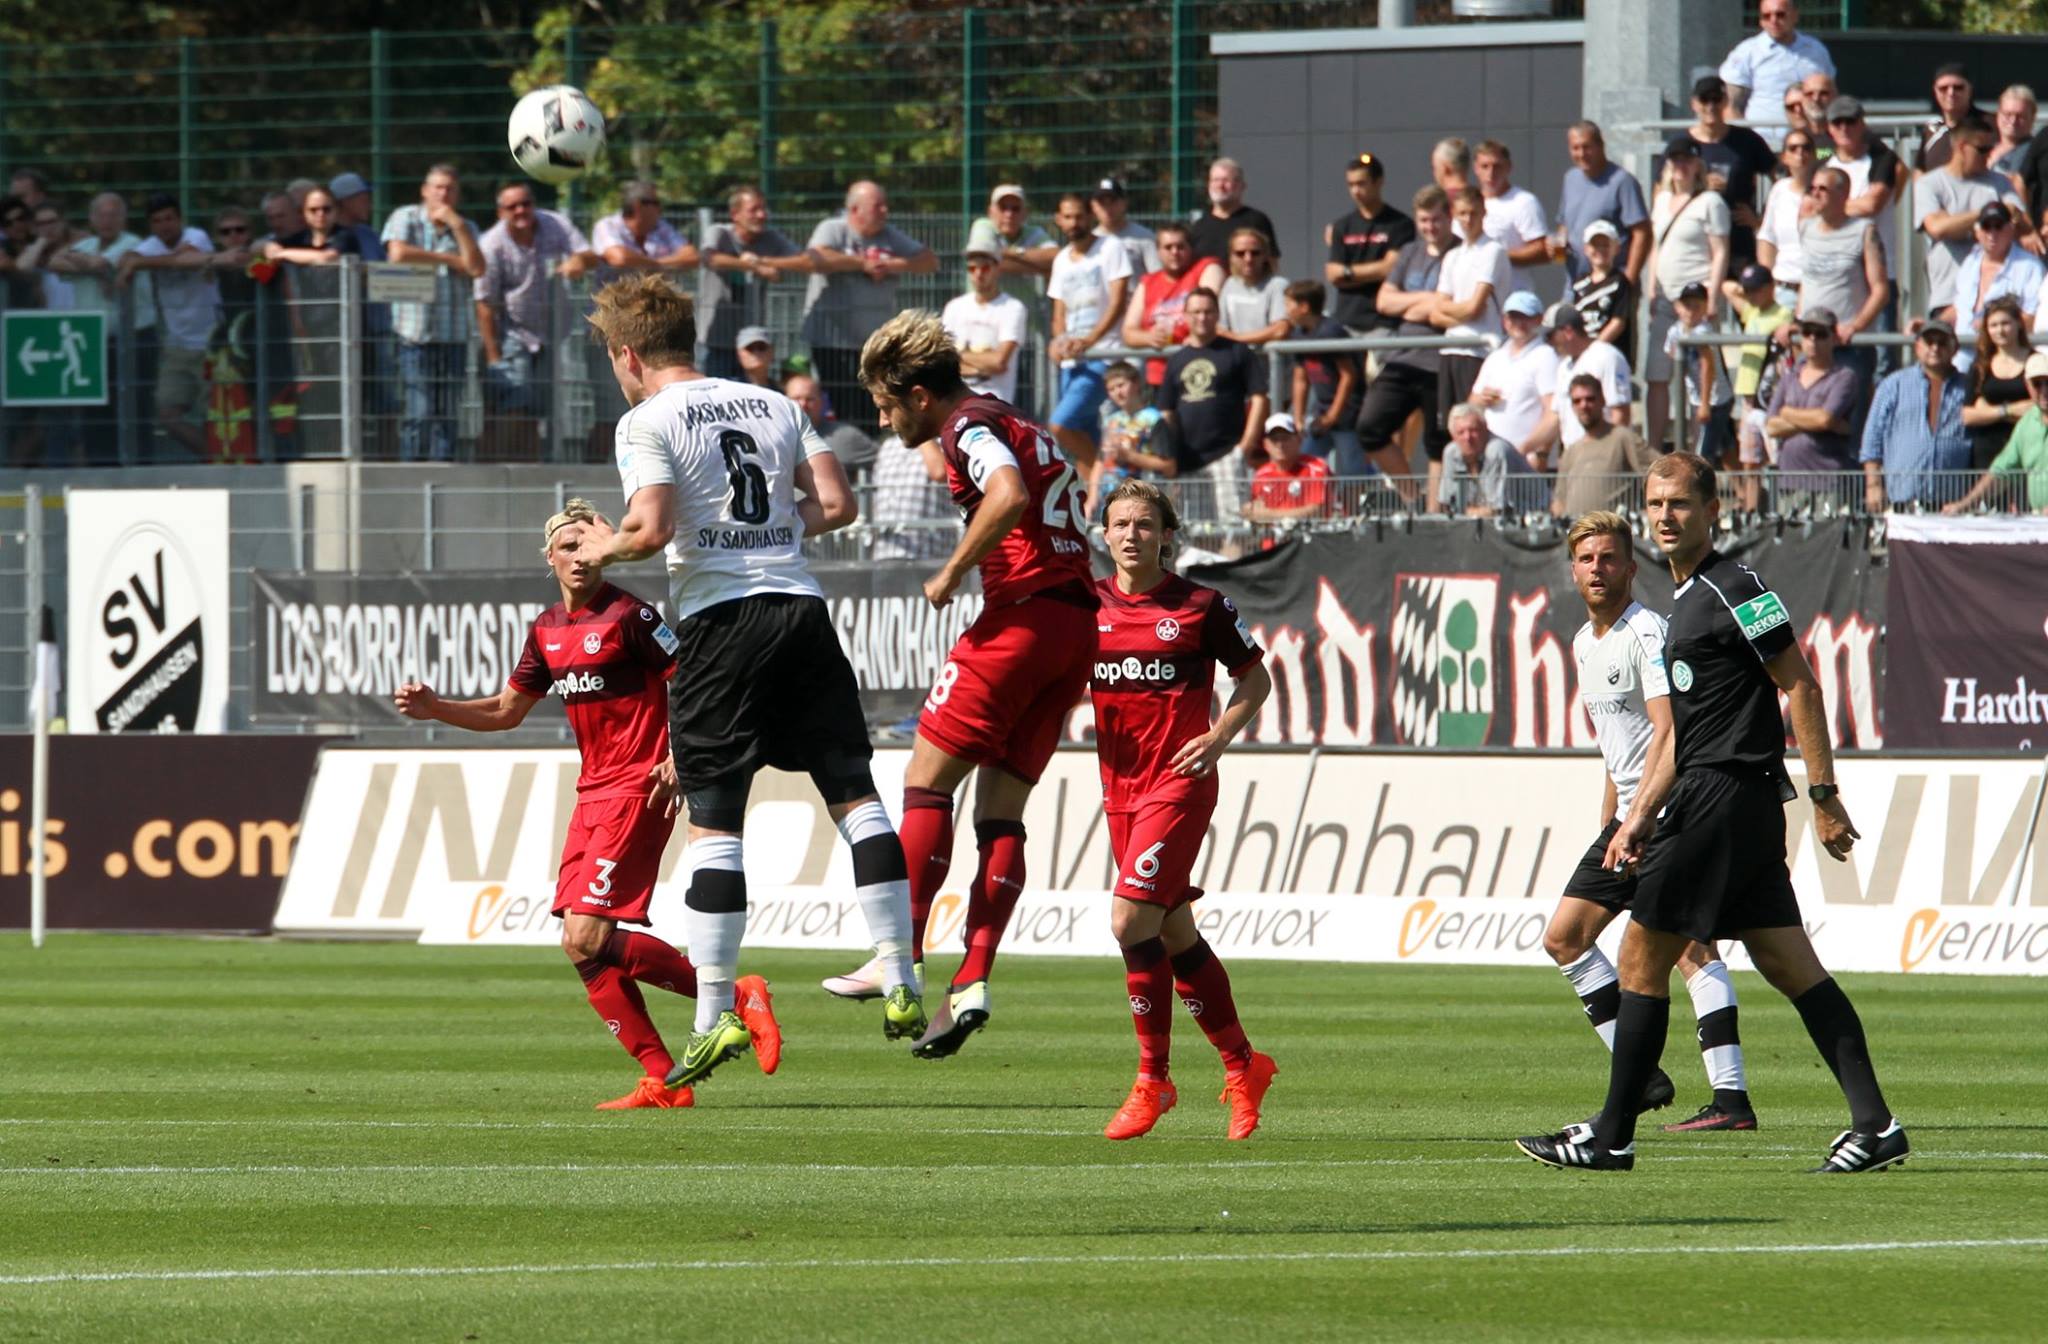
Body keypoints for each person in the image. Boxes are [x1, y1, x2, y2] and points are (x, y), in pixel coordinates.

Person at [1516, 451, 1906, 1175]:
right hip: (1726, 800)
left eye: (1681, 505)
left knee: (1640, 956)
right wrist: (1635, 818)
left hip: (1724, 798)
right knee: (1792, 966)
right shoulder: (1687, 602)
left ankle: (1611, 1134)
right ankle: (1877, 1124)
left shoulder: (1738, 589)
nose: (1666, 517)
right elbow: (1679, 735)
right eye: (1657, 506)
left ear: (1713, 512)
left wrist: (1824, 795)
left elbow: (1802, 687)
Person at [583, 274, 925, 1084]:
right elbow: (836, 504)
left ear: (627, 354)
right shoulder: (773, 403)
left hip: (720, 623)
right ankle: (902, 973)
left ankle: (712, 1018)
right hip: (800, 610)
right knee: (855, 795)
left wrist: (605, 547)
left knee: (716, 825)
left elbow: (653, 527)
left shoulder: (645, 420)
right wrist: (767, 528)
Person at [393, 499, 781, 1111]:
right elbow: (506, 711)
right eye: (567, 547)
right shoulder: (546, 629)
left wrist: (682, 752)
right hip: (592, 794)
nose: (580, 556)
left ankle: (736, 996)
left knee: (589, 933)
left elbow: (693, 679)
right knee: (579, 947)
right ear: (549, 558)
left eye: (588, 544)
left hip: (638, 787)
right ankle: (662, 1079)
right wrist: (438, 709)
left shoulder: (631, 615)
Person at [841, 309, 1097, 1058]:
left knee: (925, 783)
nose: (886, 422)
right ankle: (973, 978)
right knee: (1001, 812)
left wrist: (953, 571)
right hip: (1076, 627)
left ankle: (900, 959)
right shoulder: (1015, 416)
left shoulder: (966, 429)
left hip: (1021, 619)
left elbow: (1010, 493)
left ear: (920, 394)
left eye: (888, 407)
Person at [1539, 510, 1757, 1133]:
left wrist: (1642, 815)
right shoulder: (1585, 642)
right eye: (1587, 560)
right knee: (1567, 937)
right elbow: (1619, 744)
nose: (1598, 570)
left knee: (1691, 950)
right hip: (1629, 819)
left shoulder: (1646, 634)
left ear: (1633, 568)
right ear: (1573, 570)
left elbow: (1671, 730)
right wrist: (1609, 820)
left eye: (1610, 559)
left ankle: (1730, 1100)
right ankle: (1648, 1080)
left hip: (1666, 814)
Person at [1090, 479, 1277, 1141]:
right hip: (1119, 791)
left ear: (1166, 534)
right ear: (1104, 534)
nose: (1132, 534)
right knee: (1172, 934)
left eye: (1145, 524)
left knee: (1127, 919)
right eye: (1121, 524)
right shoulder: (1086, 606)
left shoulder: (1201, 607)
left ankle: (1153, 1080)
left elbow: (1255, 678)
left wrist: (1220, 736)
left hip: (1179, 783)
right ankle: (1243, 1065)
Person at [476, 181, 597, 459]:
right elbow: (484, 304)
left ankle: (535, 468)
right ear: (500, 212)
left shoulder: (554, 223)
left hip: (551, 336)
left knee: (542, 409)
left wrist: (579, 262)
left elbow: (589, 255)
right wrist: (494, 356)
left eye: (526, 203)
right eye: (512, 206)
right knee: (515, 407)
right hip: (511, 335)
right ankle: (509, 468)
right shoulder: (492, 245)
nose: (520, 210)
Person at [802, 180, 937, 425]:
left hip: (872, 344)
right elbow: (816, 256)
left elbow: (929, 261)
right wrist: (862, 263)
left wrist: (890, 264)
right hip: (831, 341)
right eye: (878, 206)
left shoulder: (889, 235)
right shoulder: (833, 228)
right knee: (841, 406)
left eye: (885, 205)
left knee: (874, 407)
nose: (885, 210)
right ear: (855, 210)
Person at [381, 164, 485, 462]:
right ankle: (411, 473)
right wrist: (452, 260)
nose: (443, 194)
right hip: (413, 335)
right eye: (438, 187)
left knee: (447, 413)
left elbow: (476, 268)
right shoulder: (406, 217)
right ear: (425, 191)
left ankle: (443, 471)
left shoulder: (467, 226)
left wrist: (458, 226)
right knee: (419, 410)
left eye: (450, 188)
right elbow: (398, 253)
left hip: (453, 335)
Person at [1362, 185, 1455, 500]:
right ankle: (1412, 499)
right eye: (1424, 220)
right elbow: (1384, 302)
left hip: (1441, 359)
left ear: (1449, 217)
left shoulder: (1461, 253)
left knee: (1437, 443)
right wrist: (1430, 301)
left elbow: (1454, 307)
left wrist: (1414, 305)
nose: (1429, 228)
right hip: (1403, 357)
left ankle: (1434, 513)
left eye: (1436, 220)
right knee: (1370, 427)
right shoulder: (1409, 252)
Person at [116, 193, 220, 459]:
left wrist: (139, 263)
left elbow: (188, 259)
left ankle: (225, 461)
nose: (165, 225)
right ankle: (214, 456)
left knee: (216, 413)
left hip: (211, 342)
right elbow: (127, 258)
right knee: (168, 414)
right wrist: (131, 261)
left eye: (169, 218)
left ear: (180, 219)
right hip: (176, 346)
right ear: (151, 225)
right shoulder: (151, 245)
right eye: (157, 221)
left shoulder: (196, 236)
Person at [52, 191, 154, 462]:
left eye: (113, 214)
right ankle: (100, 464)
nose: (107, 220)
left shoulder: (134, 244)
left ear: (123, 218)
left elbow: (104, 262)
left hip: (134, 339)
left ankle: (139, 467)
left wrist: (81, 262)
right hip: (93, 341)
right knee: (95, 411)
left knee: (134, 408)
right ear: (92, 219)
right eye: (101, 215)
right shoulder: (87, 245)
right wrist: (90, 266)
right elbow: (55, 262)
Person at [1645, 138, 1729, 453]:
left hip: (1696, 299)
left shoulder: (1710, 201)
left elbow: (1720, 251)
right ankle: (1654, 450)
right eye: (1674, 159)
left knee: (1699, 380)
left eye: (1685, 160)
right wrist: (1651, 288)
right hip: (1665, 299)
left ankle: (1698, 452)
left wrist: (1712, 298)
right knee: (1657, 374)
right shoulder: (1662, 199)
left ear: (1696, 164)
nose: (1680, 166)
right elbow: (1656, 248)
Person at [1160, 288, 1269, 523]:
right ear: (1186, 316)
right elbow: (1167, 412)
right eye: (1196, 312)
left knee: (1234, 527)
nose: (1202, 317)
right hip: (1187, 460)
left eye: (1208, 311)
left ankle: (1234, 563)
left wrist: (1246, 446)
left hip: (1227, 454)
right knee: (1194, 531)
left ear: (1218, 314)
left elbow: (1259, 397)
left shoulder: (1237, 351)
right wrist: (1169, 456)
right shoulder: (1177, 360)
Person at [1046, 191, 1133, 467]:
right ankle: (1097, 501)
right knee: (1082, 434)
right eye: (1068, 217)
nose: (1074, 223)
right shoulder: (1061, 259)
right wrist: (1061, 341)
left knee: (1060, 426)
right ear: (1059, 220)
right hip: (1072, 362)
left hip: (1102, 357)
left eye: (1079, 216)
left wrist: (1090, 341)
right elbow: (1059, 312)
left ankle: (1104, 475)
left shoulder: (1111, 248)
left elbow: (1119, 301)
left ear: (1090, 216)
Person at [1918, 115, 2030, 327]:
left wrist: (1956, 223)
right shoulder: (1930, 184)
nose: (1989, 156)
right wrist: (1989, 213)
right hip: (1948, 295)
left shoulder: (2000, 183)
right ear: (1961, 147)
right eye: (1982, 149)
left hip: (1998, 299)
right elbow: (1938, 228)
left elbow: (2019, 221)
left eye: (1991, 148)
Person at [1861, 320, 1972, 511]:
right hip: (1903, 498)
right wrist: (1873, 485)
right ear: (1917, 347)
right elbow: (1872, 438)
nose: (1935, 348)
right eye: (1929, 342)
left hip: (1954, 502)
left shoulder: (1970, 387)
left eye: (1942, 342)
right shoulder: (1893, 384)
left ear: (1955, 348)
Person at [697, 184, 806, 380]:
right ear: (735, 214)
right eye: (754, 210)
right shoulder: (720, 233)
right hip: (717, 341)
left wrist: (762, 260)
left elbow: (803, 260)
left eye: (764, 209)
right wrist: (752, 267)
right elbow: (709, 258)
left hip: (753, 342)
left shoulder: (770, 237)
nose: (762, 215)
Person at [1824, 97, 1905, 355]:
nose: (1844, 128)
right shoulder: (1824, 163)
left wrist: (1831, 206)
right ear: (1829, 128)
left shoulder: (1882, 159)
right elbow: (1809, 210)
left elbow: (1873, 205)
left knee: (1883, 354)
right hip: (1837, 273)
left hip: (1880, 273)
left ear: (1862, 124)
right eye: (1838, 122)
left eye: (1850, 121)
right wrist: (1849, 205)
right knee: (1836, 351)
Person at [1797, 166, 1888, 392]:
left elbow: (1880, 290)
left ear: (1843, 194)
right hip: (1810, 341)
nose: (1815, 194)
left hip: (1847, 345)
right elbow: (1806, 282)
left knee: (1849, 422)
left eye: (1823, 189)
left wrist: (1855, 327)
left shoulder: (1864, 231)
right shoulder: (1806, 228)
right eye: (1812, 188)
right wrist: (1796, 322)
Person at [1433, 187, 1510, 448]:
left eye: (1473, 213)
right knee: (1450, 430)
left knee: (1475, 428)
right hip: (1450, 349)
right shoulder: (1453, 255)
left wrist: (1452, 310)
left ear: (1483, 213)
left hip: (1478, 349)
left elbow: (1475, 307)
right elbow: (1436, 309)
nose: (1467, 220)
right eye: (1462, 214)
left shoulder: (1493, 251)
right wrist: (1459, 311)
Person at [1765, 311, 1863, 498]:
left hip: (1829, 483)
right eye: (1807, 332)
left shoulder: (1844, 377)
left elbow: (1824, 419)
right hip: (1790, 481)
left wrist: (1786, 412)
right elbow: (1771, 427)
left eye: (1820, 334)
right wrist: (1817, 420)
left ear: (1834, 338)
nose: (1812, 339)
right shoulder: (1789, 378)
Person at [1684, 76, 1777, 266]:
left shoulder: (1747, 140)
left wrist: (1761, 220)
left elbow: (1782, 182)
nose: (1711, 106)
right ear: (1693, 104)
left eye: (1717, 99)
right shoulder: (1682, 145)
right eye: (1704, 100)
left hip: (1739, 241)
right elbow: (1663, 192)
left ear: (1726, 102)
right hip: (1695, 242)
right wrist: (1700, 185)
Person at [1323, 151, 1414, 342]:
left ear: (1379, 182)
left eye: (1361, 183)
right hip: (1346, 321)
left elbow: (1390, 269)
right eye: (1351, 185)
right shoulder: (1342, 226)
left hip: (1383, 322)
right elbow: (1333, 274)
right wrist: (1375, 270)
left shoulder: (1400, 224)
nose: (1356, 191)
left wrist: (1347, 273)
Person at [1120, 222, 1223, 388]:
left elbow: (1208, 309)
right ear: (1158, 251)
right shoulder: (1148, 282)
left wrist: (1194, 336)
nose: (1175, 252)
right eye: (1168, 247)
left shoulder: (1206, 268)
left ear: (1191, 248)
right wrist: (1148, 337)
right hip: (1160, 376)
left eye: (1180, 247)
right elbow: (1128, 332)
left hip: (1198, 369)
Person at [1946, 350, 2048, 513]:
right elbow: (2001, 471)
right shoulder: (2027, 423)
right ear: (2027, 385)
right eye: (2037, 383)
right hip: (2039, 525)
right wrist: (1965, 505)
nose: (2044, 391)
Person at [1470, 290, 1560, 469]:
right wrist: (1482, 399)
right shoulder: (1495, 357)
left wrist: (1534, 452)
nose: (1519, 323)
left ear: (1539, 319)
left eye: (1525, 317)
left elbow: (1553, 414)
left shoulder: (1545, 356)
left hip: (1525, 461)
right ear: (1504, 321)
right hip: (1490, 460)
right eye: (1513, 317)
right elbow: (1471, 404)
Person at [1718, 0, 1834, 139]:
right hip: (1764, 141)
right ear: (1760, 20)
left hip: (1811, 144)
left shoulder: (1816, 50)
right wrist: (1745, 142)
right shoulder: (1747, 52)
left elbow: (1831, 95)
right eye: (1766, 16)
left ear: (1795, 16)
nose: (1773, 20)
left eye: (1780, 15)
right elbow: (1730, 105)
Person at [1720, 262, 1795, 473]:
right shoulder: (1752, 311)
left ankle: (1776, 503)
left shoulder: (1782, 314)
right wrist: (1740, 288)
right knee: (1749, 457)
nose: (1751, 295)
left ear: (1771, 287)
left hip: (1770, 394)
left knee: (1774, 453)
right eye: (1748, 291)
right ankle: (1752, 506)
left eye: (1756, 289)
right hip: (1748, 393)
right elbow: (1726, 288)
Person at [1556, 122, 1650, 288]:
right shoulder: (1570, 179)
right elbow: (1565, 224)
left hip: (1611, 285)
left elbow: (1642, 233)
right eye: (1575, 148)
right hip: (1575, 285)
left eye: (1587, 147)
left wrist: (1628, 281)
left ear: (1601, 145)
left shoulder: (1622, 181)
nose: (1582, 153)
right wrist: (1557, 245)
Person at [1284, 279, 1362, 476]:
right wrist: (1298, 418)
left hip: (1347, 413)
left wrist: (1333, 416)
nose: (1286, 311)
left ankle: (1352, 506)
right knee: (1305, 462)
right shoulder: (1298, 334)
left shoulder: (1331, 332)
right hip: (1321, 412)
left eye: (1288, 305)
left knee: (1350, 471)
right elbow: (1300, 379)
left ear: (1303, 307)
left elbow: (1348, 375)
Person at [1551, 375, 1656, 518]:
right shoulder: (1570, 451)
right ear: (1572, 406)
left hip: (1613, 533)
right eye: (1577, 401)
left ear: (1602, 400)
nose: (1584, 405)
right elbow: (1559, 501)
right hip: (1575, 533)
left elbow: (1661, 471)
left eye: (1590, 399)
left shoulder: (1622, 438)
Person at [1952, 203, 2043, 359]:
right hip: (1962, 355)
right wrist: (1932, 324)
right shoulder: (1970, 262)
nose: (1992, 233)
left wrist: (1990, 327)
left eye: (1998, 226)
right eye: (1987, 226)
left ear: (2011, 229)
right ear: (1977, 231)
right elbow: (1958, 308)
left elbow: (2033, 319)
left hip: (2005, 355)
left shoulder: (2030, 266)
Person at [940, 243, 1029, 405]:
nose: (979, 274)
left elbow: (999, 362)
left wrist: (958, 357)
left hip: (993, 401)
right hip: (954, 401)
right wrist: (980, 367)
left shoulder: (1013, 308)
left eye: (985, 268)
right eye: (972, 269)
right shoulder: (954, 307)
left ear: (998, 269)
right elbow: (942, 360)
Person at [1543, 303, 1632, 462]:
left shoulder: (1607, 357)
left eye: (1550, 336)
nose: (1549, 342)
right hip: (1573, 457)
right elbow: (1555, 418)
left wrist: (1607, 457)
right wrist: (1529, 450)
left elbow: (1620, 414)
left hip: (1602, 459)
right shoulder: (1564, 367)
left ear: (1568, 332)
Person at [1089, 360, 1173, 518]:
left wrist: (1130, 456)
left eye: (1121, 385)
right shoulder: (1111, 421)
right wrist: (1092, 498)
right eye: (1111, 389)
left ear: (1136, 384)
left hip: (1142, 499)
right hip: (1109, 498)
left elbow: (1169, 466)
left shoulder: (1153, 419)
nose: (1117, 393)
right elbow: (1100, 461)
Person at [1470, 140, 1550, 297]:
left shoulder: (1523, 202)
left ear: (1509, 167)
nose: (1491, 173)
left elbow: (1542, 251)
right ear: (1475, 169)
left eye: (1497, 166)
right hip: (1473, 297)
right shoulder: (1468, 204)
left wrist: (1498, 256)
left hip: (1512, 298)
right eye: (1484, 166)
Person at [1667, 282, 1735, 463]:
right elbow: (1673, 356)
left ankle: (1697, 491)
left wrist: (1705, 403)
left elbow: (1707, 367)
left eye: (1696, 306)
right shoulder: (1676, 330)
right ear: (1678, 307)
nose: (1690, 311)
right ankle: (1744, 490)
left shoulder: (1703, 331)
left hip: (1715, 400)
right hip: (1698, 398)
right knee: (1727, 450)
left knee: (1702, 455)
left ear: (1705, 307)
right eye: (1687, 305)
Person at [1963, 298, 2033, 469]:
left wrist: (1988, 412)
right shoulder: (1980, 367)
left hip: (2028, 448)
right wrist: (2009, 410)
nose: (2000, 330)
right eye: (1993, 325)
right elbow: (1968, 416)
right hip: (1987, 451)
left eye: (2005, 323)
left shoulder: (2036, 362)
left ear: (2018, 324)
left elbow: (2038, 410)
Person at [1439, 402, 1543, 517]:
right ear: (1452, 436)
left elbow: (1497, 510)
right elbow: (1449, 506)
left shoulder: (1496, 450)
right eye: (1461, 432)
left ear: (1485, 429)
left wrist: (1465, 512)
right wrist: (1463, 511)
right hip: (1483, 523)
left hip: (1534, 516)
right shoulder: (1452, 452)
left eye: (1473, 430)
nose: (1467, 437)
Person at [1756, 128, 1821, 299]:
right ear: (1784, 157)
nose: (1800, 153)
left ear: (1814, 155)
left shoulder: (1824, 191)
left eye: (1806, 148)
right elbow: (1767, 238)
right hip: (1784, 288)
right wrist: (1766, 285)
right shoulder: (1779, 190)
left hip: (1818, 288)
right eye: (1793, 148)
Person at [1188, 157, 1279, 266]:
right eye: (1215, 180)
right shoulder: (1199, 226)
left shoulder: (1257, 221)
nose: (1220, 186)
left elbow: (1272, 261)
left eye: (1226, 180)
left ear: (1242, 186)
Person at [1244, 413, 1332, 521]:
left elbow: (1317, 510)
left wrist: (1270, 515)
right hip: (1273, 536)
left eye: (1285, 438)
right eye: (1274, 439)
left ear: (1299, 440)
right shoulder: (1261, 474)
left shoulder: (1317, 468)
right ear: (1265, 444)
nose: (1280, 445)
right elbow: (1256, 510)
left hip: (1310, 535)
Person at [1569, 219, 1635, 352]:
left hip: (1609, 352)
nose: (1600, 250)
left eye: (1605, 245)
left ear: (1616, 248)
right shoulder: (1579, 283)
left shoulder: (1620, 281)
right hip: (1583, 351)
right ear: (1586, 249)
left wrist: (1593, 349)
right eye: (1595, 245)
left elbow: (1618, 322)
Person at [1216, 228, 1289, 346]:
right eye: (1240, 253)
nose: (1248, 259)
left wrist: (1236, 338)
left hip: (1269, 362)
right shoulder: (1229, 284)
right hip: (1238, 361)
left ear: (1265, 255)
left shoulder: (1277, 285)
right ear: (1231, 257)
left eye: (1255, 253)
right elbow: (1219, 329)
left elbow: (1280, 330)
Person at [1918, 63, 1980, 174]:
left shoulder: (1985, 127)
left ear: (1969, 89)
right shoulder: (1931, 129)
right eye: (1943, 88)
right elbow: (1919, 171)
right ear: (1935, 91)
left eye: (1958, 87)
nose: (1950, 93)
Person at [1091, 177, 1159, 276]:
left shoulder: (1144, 237)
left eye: (1113, 201)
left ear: (1124, 203)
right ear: (1093, 206)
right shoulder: (1090, 241)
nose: (1108, 208)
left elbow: (1157, 276)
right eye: (1102, 203)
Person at [1992, 85, 2038, 178]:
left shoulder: (2036, 153)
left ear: (2032, 118)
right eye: (2008, 114)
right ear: (1998, 114)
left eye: (2020, 116)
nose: (2013, 121)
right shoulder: (1984, 146)